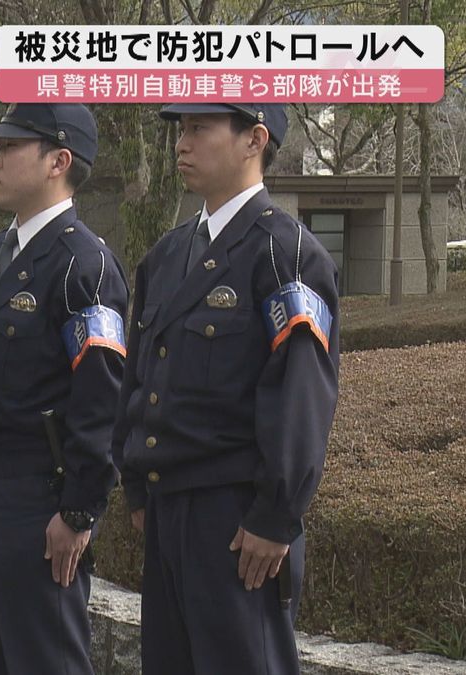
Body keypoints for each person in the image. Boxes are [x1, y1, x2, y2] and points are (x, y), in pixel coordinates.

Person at [112, 103, 340, 675]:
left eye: (199, 129)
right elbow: (140, 377)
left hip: (236, 519)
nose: (181, 144)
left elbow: (300, 395)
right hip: (169, 511)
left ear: (254, 140)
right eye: (180, 130)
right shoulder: (167, 256)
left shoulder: (284, 255)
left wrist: (275, 515)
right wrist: (137, 483)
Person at [0, 103, 128, 675]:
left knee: (43, 659)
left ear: (59, 160)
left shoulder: (84, 264)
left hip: (39, 499)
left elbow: (100, 397)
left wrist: (78, 511)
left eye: (10, 148)